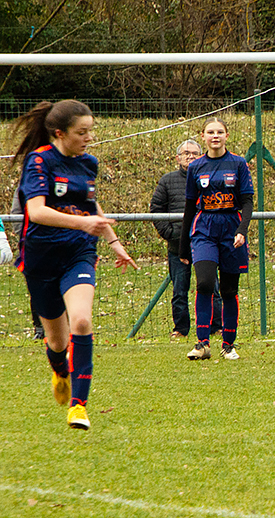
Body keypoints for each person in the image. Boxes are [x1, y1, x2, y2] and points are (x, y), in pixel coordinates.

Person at [12, 99, 138, 430]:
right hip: (40, 258)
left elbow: (91, 206)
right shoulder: (39, 161)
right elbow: (36, 212)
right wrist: (83, 224)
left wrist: (113, 242)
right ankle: (58, 368)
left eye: (91, 132)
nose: (89, 138)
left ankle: (78, 407)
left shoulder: (88, 164)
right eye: (82, 132)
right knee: (57, 342)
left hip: (79, 253)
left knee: (81, 320)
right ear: (59, 133)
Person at [180, 117, 253, 361]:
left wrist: (242, 229)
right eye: (210, 132)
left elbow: (247, 201)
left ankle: (228, 344)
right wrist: (183, 244)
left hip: (231, 228)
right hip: (204, 229)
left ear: (226, 136)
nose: (215, 136)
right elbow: (190, 206)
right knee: (205, 283)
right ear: (203, 136)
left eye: (219, 132)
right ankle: (201, 343)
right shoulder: (195, 167)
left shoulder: (238, 164)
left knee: (230, 289)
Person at [150, 139, 221, 339]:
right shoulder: (167, 181)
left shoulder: (210, 178)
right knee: (180, 291)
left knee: (211, 286)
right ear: (178, 157)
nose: (190, 156)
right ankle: (181, 329)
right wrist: (171, 234)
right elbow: (156, 209)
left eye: (195, 153)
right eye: (186, 153)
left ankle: (216, 327)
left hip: (205, 243)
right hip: (177, 246)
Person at [11, 186, 44, 339]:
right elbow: (16, 214)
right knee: (37, 288)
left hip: (59, 246)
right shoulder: (24, 187)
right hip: (32, 246)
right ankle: (39, 328)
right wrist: (26, 238)